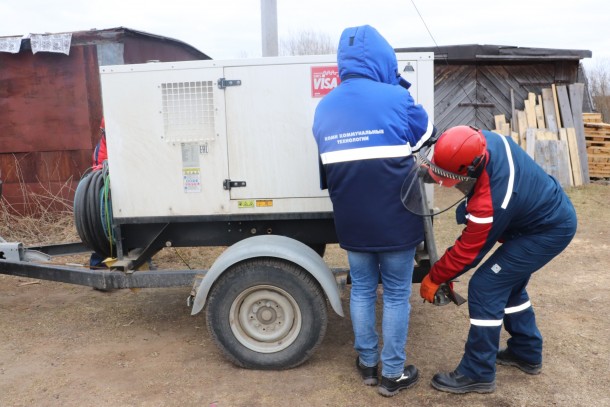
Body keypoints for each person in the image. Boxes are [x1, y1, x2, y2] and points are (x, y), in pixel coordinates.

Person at [312, 25, 436, 397]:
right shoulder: (395, 97)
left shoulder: (324, 105)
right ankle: (392, 373)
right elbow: (427, 134)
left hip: (351, 218)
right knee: (397, 293)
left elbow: (324, 165)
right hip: (397, 216)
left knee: (363, 289)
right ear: (384, 59)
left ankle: (367, 364)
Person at [419, 125, 577, 393]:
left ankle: (477, 372)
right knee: (508, 283)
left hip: (547, 230)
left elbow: (468, 252)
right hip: (541, 216)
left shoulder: (491, 201)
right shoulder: (482, 140)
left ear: (471, 170)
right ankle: (525, 352)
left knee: (486, 285)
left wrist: (436, 277)